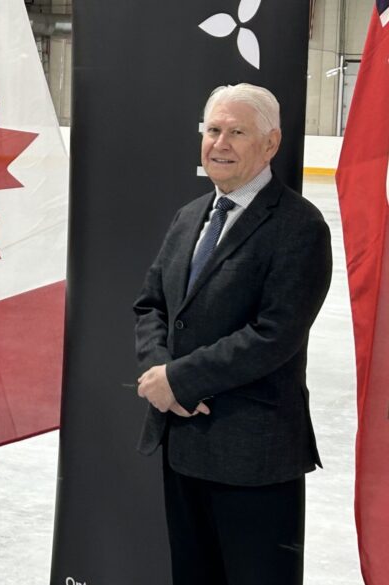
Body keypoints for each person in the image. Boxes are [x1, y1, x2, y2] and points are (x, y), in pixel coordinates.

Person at [133, 83, 332, 585]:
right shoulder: (189, 217)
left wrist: (180, 381)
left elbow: (274, 335)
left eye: (237, 132)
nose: (219, 143)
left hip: (254, 456)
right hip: (183, 445)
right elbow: (152, 305)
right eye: (213, 130)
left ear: (270, 143)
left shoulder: (300, 227)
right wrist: (160, 373)